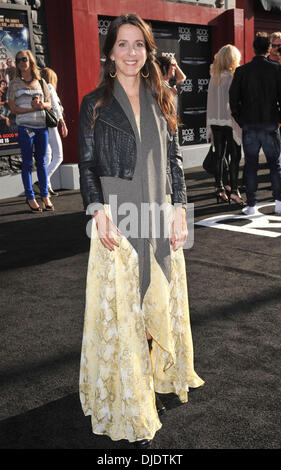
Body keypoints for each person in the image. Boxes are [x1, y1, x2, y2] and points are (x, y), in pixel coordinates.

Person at [78, 13, 204, 448]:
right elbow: (89, 168)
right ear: (110, 53)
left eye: (139, 45)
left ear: (149, 52)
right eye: (123, 45)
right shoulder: (93, 103)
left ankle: (152, 376)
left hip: (157, 213)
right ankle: (130, 392)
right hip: (118, 218)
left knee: (157, 296)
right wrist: (97, 210)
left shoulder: (162, 96)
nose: (132, 53)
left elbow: (174, 163)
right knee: (126, 309)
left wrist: (180, 210)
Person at [229, 32, 281, 216]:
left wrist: (242, 121)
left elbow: (233, 100)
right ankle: (278, 204)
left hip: (250, 125)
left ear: (253, 48)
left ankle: (251, 206)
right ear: (268, 49)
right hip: (269, 125)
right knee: (275, 164)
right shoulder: (276, 69)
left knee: (251, 165)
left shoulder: (242, 71)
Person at [7, 50, 54, 212]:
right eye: (18, 60)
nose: (21, 62)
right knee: (27, 163)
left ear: (30, 61)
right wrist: (31, 110)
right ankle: (30, 197)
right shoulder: (13, 84)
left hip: (42, 127)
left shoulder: (40, 82)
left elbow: (49, 104)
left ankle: (45, 195)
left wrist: (41, 106)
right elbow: (13, 109)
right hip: (25, 127)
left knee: (41, 162)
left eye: (24, 59)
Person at [206, 44, 245, 206]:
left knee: (219, 155)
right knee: (235, 157)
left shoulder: (214, 77)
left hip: (215, 122)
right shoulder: (234, 77)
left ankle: (220, 187)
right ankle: (234, 191)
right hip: (231, 122)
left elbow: (210, 102)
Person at [41, 67, 68, 196]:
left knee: (47, 156)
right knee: (59, 156)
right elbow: (56, 107)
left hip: (43, 125)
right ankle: (43, 181)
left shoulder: (41, 87)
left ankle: (46, 187)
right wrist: (63, 123)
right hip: (51, 125)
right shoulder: (50, 87)